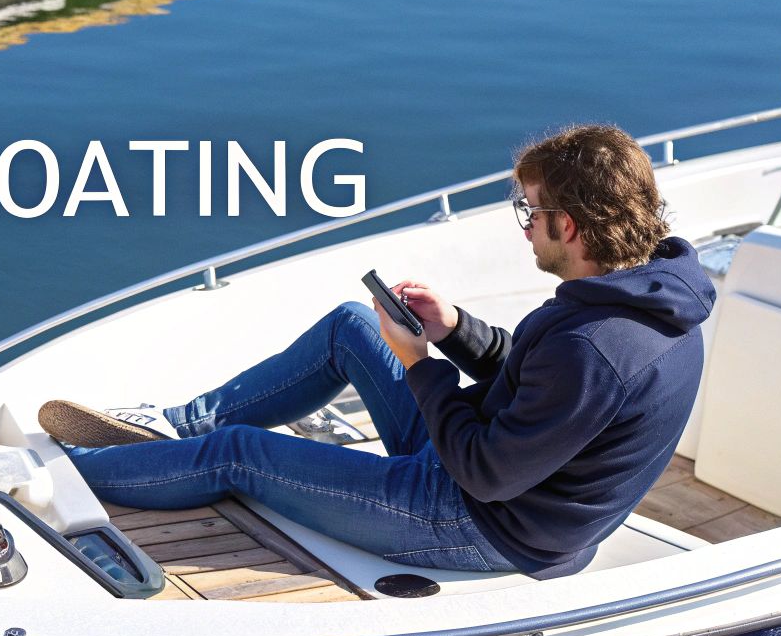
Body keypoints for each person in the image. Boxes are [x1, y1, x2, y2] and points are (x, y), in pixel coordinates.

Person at [37, 124, 717, 578]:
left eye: (530, 215)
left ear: (566, 225)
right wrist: (454, 330)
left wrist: (421, 363)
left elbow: (486, 474)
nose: (526, 231)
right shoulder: (646, 294)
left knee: (240, 454)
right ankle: (172, 427)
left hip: (476, 521)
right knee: (351, 327)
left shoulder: (599, 345)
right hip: (482, 475)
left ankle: (66, 477)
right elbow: (534, 381)